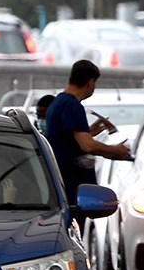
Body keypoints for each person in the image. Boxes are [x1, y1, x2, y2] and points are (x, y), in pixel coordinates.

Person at [44, 60, 131, 223]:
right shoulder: (72, 105)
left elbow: (66, 139)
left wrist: (90, 131)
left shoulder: (58, 102)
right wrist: (116, 150)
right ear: (90, 82)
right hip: (73, 187)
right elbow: (87, 145)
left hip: (61, 183)